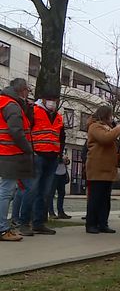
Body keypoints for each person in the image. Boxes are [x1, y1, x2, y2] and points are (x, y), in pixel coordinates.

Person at [18, 96, 65, 236]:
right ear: (43, 100)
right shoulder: (33, 111)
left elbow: (61, 136)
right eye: (50, 99)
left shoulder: (58, 117)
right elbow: (25, 131)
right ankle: (24, 223)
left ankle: (38, 223)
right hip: (37, 155)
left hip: (52, 157)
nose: (53, 102)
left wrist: (59, 154)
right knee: (31, 190)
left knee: (45, 192)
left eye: (55, 100)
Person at [0, 78, 34, 241]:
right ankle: (2, 228)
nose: (28, 93)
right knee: (6, 192)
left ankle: (7, 226)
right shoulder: (12, 106)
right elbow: (16, 131)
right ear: (22, 90)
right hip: (10, 153)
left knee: (8, 190)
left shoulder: (5, 102)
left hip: (7, 153)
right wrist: (28, 148)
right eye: (28, 89)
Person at [85, 106, 120, 234]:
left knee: (105, 199)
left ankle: (103, 223)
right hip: (97, 168)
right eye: (110, 115)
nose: (111, 118)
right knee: (95, 198)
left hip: (108, 169)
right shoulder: (95, 126)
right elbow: (105, 139)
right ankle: (91, 224)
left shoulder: (108, 128)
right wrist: (118, 128)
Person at [48, 155, 71, 219]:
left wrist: (67, 161)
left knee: (62, 193)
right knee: (51, 194)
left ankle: (61, 212)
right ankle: (51, 212)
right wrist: (61, 159)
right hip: (54, 173)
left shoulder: (62, 149)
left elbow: (67, 161)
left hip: (62, 173)